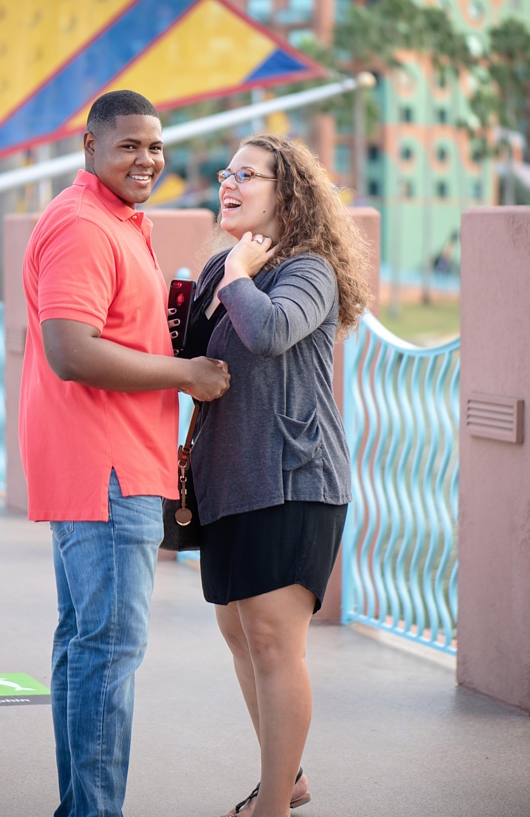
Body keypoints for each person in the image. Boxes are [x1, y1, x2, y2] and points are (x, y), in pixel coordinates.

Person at [19, 89, 231, 817]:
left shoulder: (117, 221)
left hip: (107, 460)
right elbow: (72, 352)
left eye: (156, 146)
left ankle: (80, 808)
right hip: (105, 467)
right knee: (106, 654)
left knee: (86, 647)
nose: (147, 159)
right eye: (130, 146)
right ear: (90, 146)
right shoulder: (83, 225)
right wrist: (188, 375)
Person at [185, 134, 370, 817]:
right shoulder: (218, 268)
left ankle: (275, 808)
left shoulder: (308, 270)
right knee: (240, 634)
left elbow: (267, 333)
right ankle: (285, 778)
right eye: (225, 172)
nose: (228, 183)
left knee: (273, 641)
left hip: (294, 477)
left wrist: (236, 274)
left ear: (286, 192)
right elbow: (185, 357)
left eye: (246, 174)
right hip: (229, 479)